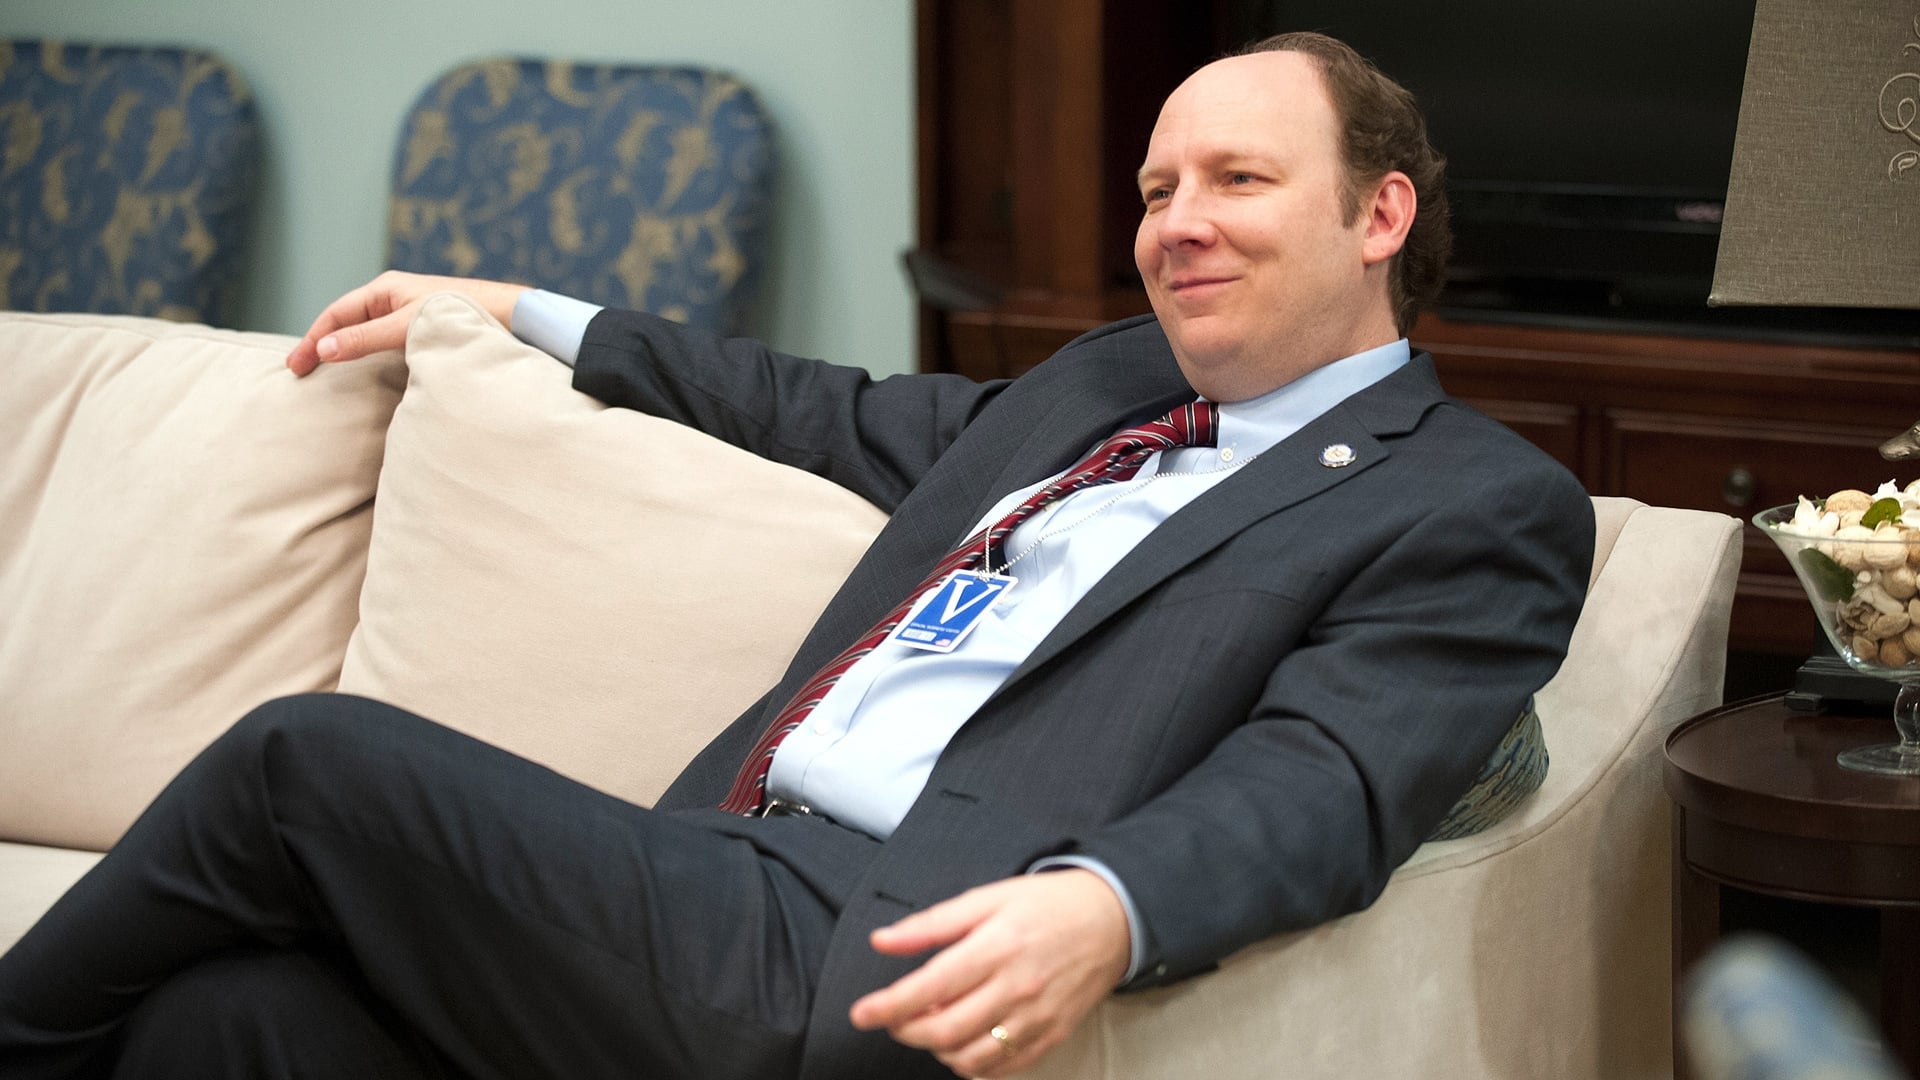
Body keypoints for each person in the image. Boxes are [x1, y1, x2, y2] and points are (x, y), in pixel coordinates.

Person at [0, 32, 1593, 1080]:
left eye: (1239, 181)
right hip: (714, 866)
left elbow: (1330, 775)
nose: (1176, 221)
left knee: (302, 765)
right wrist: (519, 311)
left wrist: (1109, 906)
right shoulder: (1107, 389)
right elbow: (827, 409)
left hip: (867, 933)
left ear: (1379, 216)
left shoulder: (1472, 502)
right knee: (229, 1024)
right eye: (1159, 188)